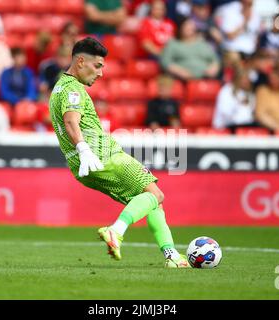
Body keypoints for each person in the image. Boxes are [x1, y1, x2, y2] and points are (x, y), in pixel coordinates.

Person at [49, 37, 190, 268]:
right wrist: (84, 149)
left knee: (150, 200)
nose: (101, 73)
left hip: (83, 166)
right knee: (156, 194)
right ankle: (116, 231)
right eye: (98, 66)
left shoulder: (60, 87)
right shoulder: (72, 89)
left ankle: (172, 256)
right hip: (102, 156)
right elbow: (71, 121)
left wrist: (82, 153)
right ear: (81, 61)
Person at [217, 0, 262, 66]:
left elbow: (256, 36)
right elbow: (230, 36)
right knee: (236, 61)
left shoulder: (255, 13)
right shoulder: (229, 10)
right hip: (232, 50)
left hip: (250, 52)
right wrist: (244, 21)